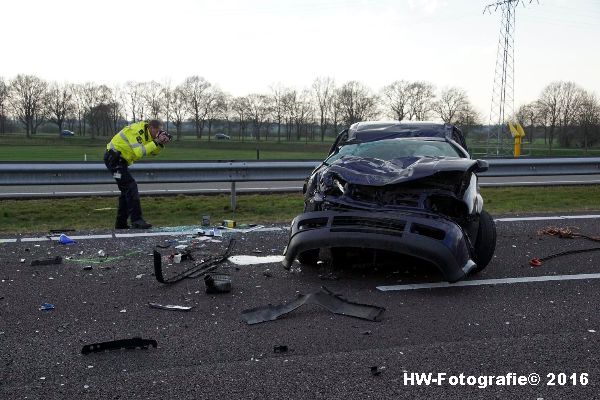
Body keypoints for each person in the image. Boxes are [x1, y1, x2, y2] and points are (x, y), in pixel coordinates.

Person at [104, 119, 171, 229]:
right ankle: (137, 220)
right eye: (158, 131)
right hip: (114, 160)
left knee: (126, 191)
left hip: (120, 162)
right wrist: (156, 142)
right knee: (131, 187)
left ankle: (121, 224)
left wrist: (160, 144)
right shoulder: (137, 131)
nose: (159, 133)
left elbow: (152, 152)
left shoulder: (148, 134)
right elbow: (139, 152)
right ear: (152, 128)